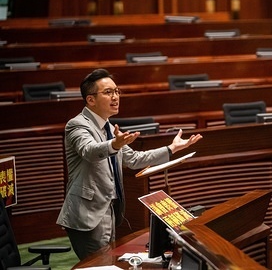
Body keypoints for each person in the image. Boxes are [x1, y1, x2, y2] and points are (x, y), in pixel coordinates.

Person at [56, 68, 202, 260]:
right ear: (90, 99)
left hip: (109, 212)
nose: (115, 97)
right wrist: (114, 144)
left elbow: (134, 160)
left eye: (117, 91)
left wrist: (171, 149)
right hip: (87, 215)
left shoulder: (108, 126)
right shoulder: (77, 125)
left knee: (107, 262)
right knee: (97, 265)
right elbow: (90, 151)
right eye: (108, 92)